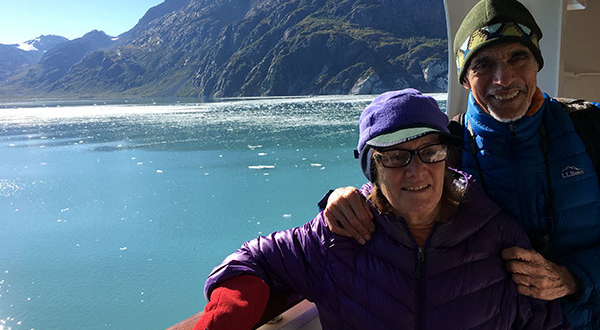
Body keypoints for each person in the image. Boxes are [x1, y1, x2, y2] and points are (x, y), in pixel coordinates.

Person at [323, 0, 600, 330]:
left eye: (518, 58)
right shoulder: (447, 144)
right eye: (483, 65)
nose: (504, 78)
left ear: (537, 64)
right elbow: (394, 184)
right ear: (465, 79)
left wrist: (576, 279)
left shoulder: (589, 128)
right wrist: (340, 199)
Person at [194, 89, 568, 330]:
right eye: (395, 156)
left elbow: (542, 320)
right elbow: (249, 261)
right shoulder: (336, 237)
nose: (416, 169)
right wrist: (230, 314)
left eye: (430, 151)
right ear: (373, 167)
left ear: (446, 157)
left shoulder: (496, 233)